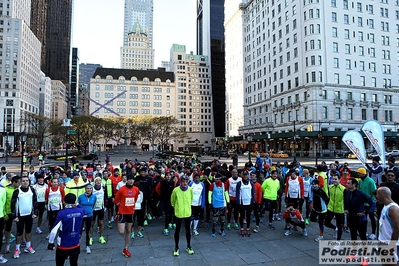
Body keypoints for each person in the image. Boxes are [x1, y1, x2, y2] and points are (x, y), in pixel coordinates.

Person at [47, 193, 86, 266]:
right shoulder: (81, 211)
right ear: (75, 201)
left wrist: (51, 243)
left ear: (65, 202)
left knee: (60, 264)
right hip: (75, 243)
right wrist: (76, 204)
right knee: (74, 263)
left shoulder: (61, 213)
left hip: (63, 244)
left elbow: (54, 231)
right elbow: (85, 211)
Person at [11, 175, 38, 258]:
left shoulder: (32, 190)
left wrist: (35, 213)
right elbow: (12, 204)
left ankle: (28, 246)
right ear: (20, 182)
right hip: (20, 215)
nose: (25, 182)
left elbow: (35, 202)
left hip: (29, 214)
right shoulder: (17, 191)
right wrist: (14, 216)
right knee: (19, 232)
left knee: (28, 231)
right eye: (23, 181)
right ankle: (17, 249)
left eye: (27, 180)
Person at [113, 174, 139, 258]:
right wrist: (121, 205)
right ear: (126, 180)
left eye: (132, 179)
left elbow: (135, 198)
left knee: (128, 230)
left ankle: (125, 248)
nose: (131, 181)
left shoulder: (136, 189)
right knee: (121, 231)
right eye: (129, 179)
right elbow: (116, 200)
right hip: (122, 212)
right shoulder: (121, 189)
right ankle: (118, 218)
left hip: (131, 212)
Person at [171, 175, 194, 256]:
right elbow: (172, 201)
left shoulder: (190, 189)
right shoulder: (176, 190)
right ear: (180, 182)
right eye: (183, 181)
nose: (185, 183)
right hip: (179, 213)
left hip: (187, 213)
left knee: (188, 231)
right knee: (177, 231)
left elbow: (191, 199)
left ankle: (189, 246)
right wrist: (177, 208)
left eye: (186, 181)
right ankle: (176, 247)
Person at [376, 186, 399, 266]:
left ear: (382, 195)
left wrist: (391, 247)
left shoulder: (393, 209)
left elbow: (397, 229)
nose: (376, 197)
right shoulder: (385, 206)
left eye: (377, 195)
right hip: (383, 243)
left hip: (390, 245)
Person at [324, 174, 345, 244]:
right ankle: (334, 228)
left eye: (336, 179)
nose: (334, 180)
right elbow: (328, 196)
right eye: (333, 179)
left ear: (339, 179)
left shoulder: (343, 189)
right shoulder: (330, 187)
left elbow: (346, 200)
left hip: (339, 210)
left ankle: (338, 241)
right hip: (330, 208)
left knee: (339, 226)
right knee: (326, 222)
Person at [357, 167, 377, 240]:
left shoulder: (370, 181)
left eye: (359, 173)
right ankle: (364, 231)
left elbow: (374, 191)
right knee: (363, 219)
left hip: (370, 203)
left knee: (372, 218)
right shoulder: (360, 181)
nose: (358, 174)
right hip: (363, 203)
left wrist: (373, 202)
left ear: (362, 173)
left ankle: (373, 233)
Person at [77, 183, 97, 254]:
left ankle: (87, 246)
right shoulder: (81, 197)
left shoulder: (94, 197)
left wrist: (90, 211)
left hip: (89, 216)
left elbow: (93, 205)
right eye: (87, 188)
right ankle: (77, 246)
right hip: (81, 216)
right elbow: (78, 205)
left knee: (88, 231)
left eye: (90, 188)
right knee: (79, 231)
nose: (89, 190)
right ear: (85, 189)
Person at [91, 177, 106, 244]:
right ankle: (90, 238)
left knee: (101, 223)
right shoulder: (92, 188)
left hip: (100, 208)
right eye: (97, 180)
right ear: (94, 181)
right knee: (92, 223)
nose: (98, 182)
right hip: (93, 209)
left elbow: (105, 196)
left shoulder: (103, 187)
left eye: (99, 180)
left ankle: (101, 237)